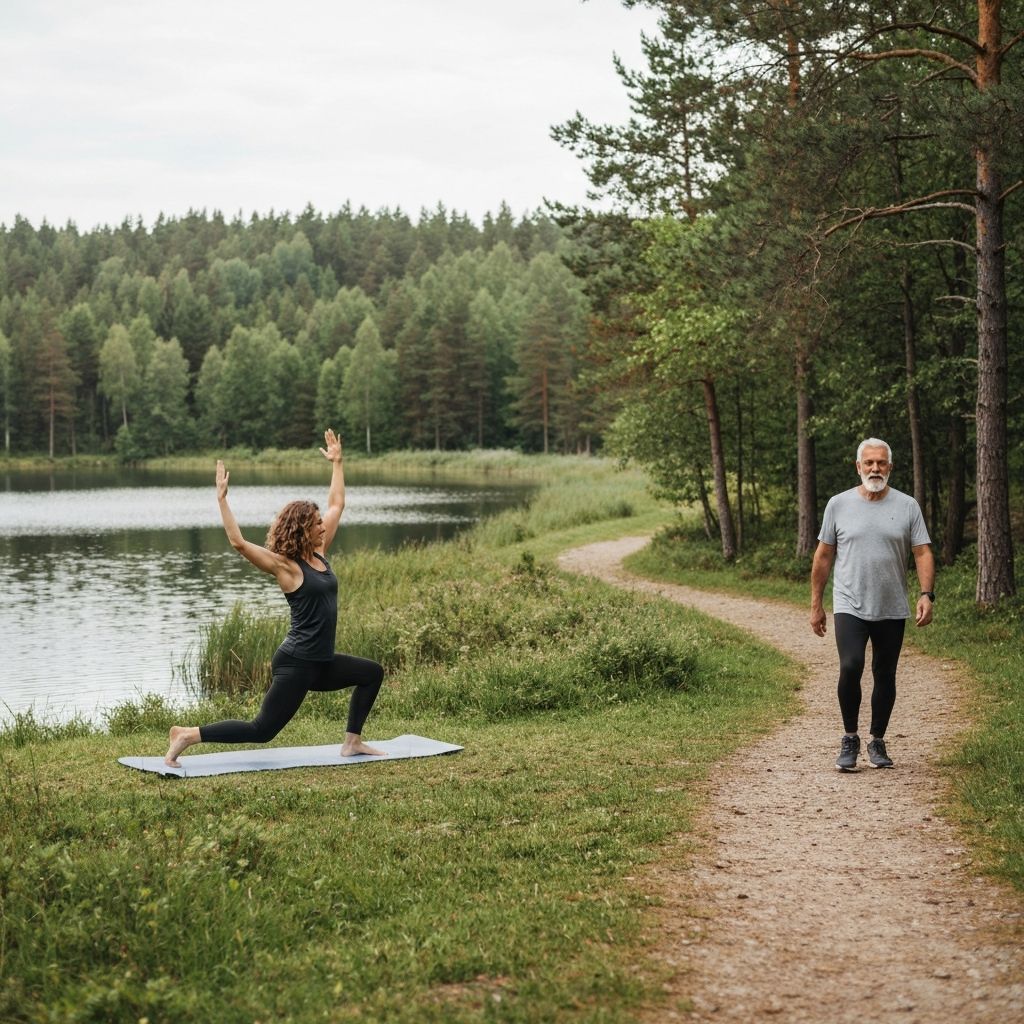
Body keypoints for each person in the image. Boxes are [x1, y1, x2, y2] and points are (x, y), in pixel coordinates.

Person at [164, 429, 385, 767]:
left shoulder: (320, 553)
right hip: (296, 663)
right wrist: (222, 500)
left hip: (321, 662)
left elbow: (336, 504)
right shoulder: (286, 568)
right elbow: (238, 543)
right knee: (262, 729)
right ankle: (188, 735)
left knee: (371, 673)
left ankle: (352, 741)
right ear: (302, 530)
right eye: (316, 525)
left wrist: (338, 463)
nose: (323, 528)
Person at [810, 437, 934, 771]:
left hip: (892, 606)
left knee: (885, 673)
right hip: (850, 603)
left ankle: (877, 740)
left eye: (881, 463)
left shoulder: (907, 506)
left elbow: (922, 551)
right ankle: (850, 738)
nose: (875, 469)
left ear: (890, 467)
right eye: (869, 463)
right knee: (851, 666)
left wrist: (926, 594)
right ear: (858, 466)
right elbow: (823, 556)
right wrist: (816, 604)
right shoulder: (838, 504)